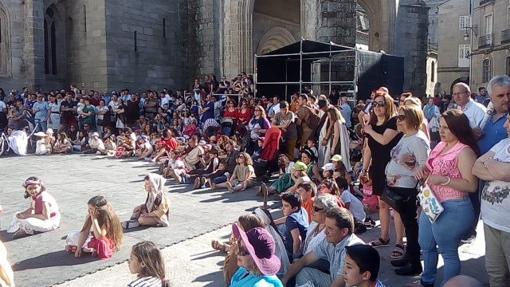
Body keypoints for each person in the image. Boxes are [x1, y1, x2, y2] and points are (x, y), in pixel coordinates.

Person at [415, 109, 479, 287]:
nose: (441, 131)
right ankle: (426, 281)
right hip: (432, 202)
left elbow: (471, 185)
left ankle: (448, 285)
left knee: (448, 251)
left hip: (454, 206)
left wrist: (444, 180)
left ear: (458, 129)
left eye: (446, 128)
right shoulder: (442, 145)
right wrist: (422, 168)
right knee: (426, 244)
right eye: (440, 126)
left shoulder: (465, 151)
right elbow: (430, 167)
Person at [385, 104, 430, 276]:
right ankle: (410, 255)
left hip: (407, 189)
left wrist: (407, 165)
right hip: (398, 187)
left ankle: (414, 263)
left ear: (413, 119)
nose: (398, 121)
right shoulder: (406, 136)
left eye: (402, 118)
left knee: (410, 226)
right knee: (407, 224)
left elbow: (424, 169)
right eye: (398, 117)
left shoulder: (418, 140)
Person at [360, 91, 404, 253]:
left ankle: (400, 242)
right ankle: (384, 236)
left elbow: (384, 140)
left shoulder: (394, 122)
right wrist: (364, 169)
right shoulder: (372, 123)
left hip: (393, 169)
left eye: (381, 103)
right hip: (377, 168)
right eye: (375, 104)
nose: (377, 107)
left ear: (388, 105)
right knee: (382, 204)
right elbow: (368, 149)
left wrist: (370, 131)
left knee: (396, 205)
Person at [472, 113, 510, 287]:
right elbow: (476, 167)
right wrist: (500, 170)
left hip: (508, 226)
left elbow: (501, 171)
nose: (505, 125)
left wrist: (491, 165)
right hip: (490, 222)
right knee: (495, 274)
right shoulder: (503, 144)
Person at [282, 207, 364, 287]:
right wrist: (283, 281)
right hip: (333, 279)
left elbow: (341, 281)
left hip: (344, 284)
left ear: (344, 231)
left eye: (330, 228)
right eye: (325, 226)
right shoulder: (330, 241)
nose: (325, 232)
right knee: (304, 272)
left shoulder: (353, 248)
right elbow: (304, 260)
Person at [65, 195, 124, 259]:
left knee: (100, 243)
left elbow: (100, 236)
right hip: (96, 236)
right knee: (73, 235)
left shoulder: (107, 217)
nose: (89, 211)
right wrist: (79, 248)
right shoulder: (91, 214)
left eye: (91, 209)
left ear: (98, 209)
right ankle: (84, 248)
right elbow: (85, 231)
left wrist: (94, 219)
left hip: (107, 241)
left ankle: (89, 249)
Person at [280, 191, 309, 261]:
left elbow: (297, 240)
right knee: (281, 226)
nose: (282, 208)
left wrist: (295, 258)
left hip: (292, 250)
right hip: (305, 247)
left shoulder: (291, 220)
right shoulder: (302, 210)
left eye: (286, 206)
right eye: (282, 205)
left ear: (294, 208)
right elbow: (289, 219)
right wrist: (273, 222)